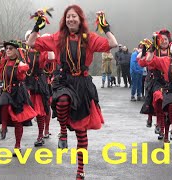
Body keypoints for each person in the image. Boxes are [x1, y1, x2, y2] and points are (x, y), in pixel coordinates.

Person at [27, 5, 118, 179]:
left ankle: (80, 170)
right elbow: (31, 43)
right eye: (68, 16)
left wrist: (105, 27)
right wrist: (37, 27)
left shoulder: (89, 38)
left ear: (80, 19)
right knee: (61, 101)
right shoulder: (57, 38)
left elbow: (112, 44)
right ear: (64, 20)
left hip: (82, 85)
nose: (71, 19)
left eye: (74, 16)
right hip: (63, 80)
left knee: (81, 131)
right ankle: (62, 132)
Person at [0, 40, 37, 155]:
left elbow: (24, 69)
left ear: (16, 51)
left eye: (10, 48)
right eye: (6, 48)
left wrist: (21, 56)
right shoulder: (3, 62)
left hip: (18, 92)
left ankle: (17, 145)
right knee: (3, 103)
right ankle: (3, 128)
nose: (7, 50)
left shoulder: (19, 63)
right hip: (6, 91)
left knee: (18, 120)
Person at [138, 29, 171, 140]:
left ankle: (169, 130)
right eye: (161, 39)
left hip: (171, 82)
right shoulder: (153, 51)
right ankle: (158, 124)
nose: (164, 41)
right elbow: (143, 62)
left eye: (166, 39)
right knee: (157, 101)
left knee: (171, 107)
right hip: (155, 81)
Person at [24, 31, 54, 146]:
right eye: (29, 37)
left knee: (42, 109)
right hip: (27, 82)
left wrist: (48, 45)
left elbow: (51, 58)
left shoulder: (42, 51)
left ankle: (41, 134)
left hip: (40, 82)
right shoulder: (24, 52)